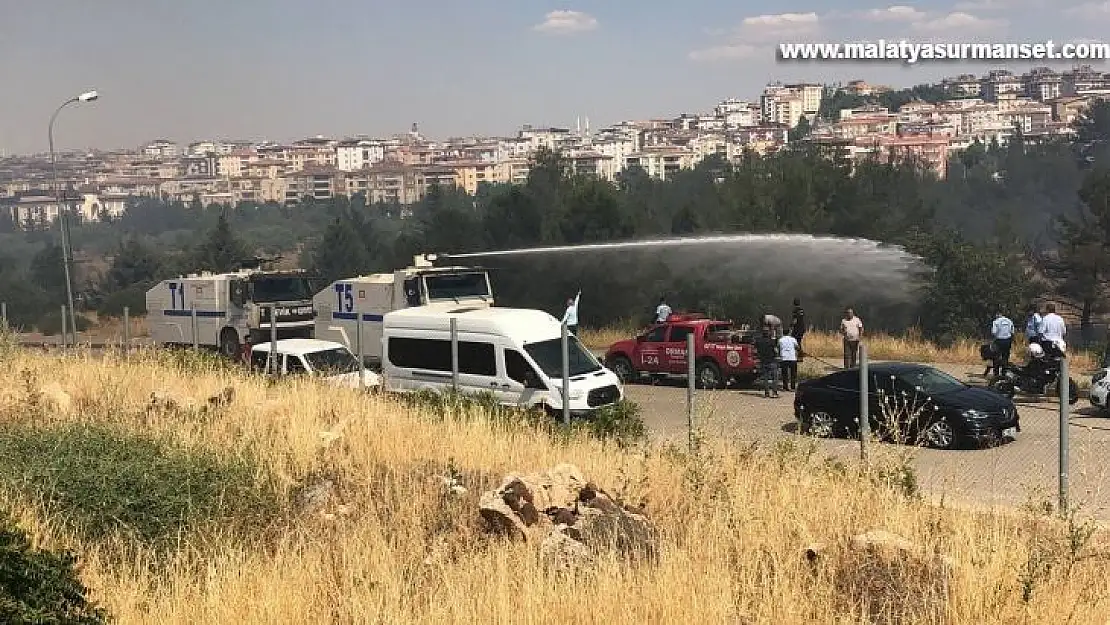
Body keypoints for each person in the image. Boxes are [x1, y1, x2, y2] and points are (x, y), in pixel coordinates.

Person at [986, 310, 1014, 378]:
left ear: (998, 314)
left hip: (999, 341)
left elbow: (993, 332)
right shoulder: (1009, 321)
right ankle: (1004, 373)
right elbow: (1012, 331)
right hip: (1007, 341)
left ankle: (996, 374)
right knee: (1005, 357)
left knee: (996, 357)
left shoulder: (996, 322)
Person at [753, 328, 779, 398]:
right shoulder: (771, 341)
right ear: (768, 333)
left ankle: (766, 393)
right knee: (775, 378)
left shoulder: (758, 341)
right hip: (771, 361)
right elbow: (776, 350)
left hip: (763, 361)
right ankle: (774, 392)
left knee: (766, 378)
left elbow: (755, 350)